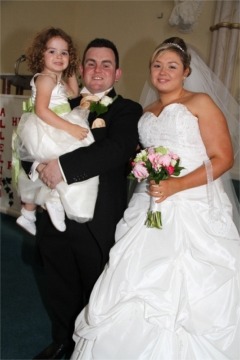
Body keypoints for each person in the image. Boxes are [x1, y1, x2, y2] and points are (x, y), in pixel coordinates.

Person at [70, 37, 240, 360]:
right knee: (129, 277)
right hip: (149, 205)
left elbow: (223, 158)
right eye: (157, 65)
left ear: (186, 71)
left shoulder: (200, 103)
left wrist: (176, 186)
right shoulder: (146, 112)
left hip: (194, 207)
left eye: (172, 66)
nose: (163, 72)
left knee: (181, 291)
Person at [23, 38, 142, 359]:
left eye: (106, 64)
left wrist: (61, 167)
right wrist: (36, 166)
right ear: (80, 68)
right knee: (58, 281)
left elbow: (115, 151)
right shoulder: (59, 102)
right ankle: (63, 338)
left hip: (98, 219)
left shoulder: (127, 109)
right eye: (91, 62)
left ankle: (90, 347)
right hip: (55, 213)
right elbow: (30, 137)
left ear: (117, 73)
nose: (98, 69)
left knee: (95, 288)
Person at [14, 27, 100, 236]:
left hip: (56, 124)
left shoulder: (56, 79)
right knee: (74, 156)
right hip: (48, 128)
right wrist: (70, 127)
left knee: (66, 163)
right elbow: (41, 110)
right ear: (40, 54)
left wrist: (69, 72)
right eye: (51, 51)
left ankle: (32, 211)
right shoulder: (45, 79)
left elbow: (73, 94)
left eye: (64, 52)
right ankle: (52, 200)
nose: (58, 56)